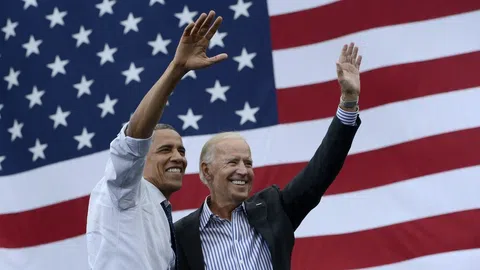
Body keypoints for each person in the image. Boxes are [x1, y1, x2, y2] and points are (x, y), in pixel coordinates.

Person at [174, 43, 363, 270]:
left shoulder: (273, 209)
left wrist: (348, 102)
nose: (243, 171)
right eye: (233, 162)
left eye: (248, 163)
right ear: (206, 170)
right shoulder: (181, 237)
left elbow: (320, 172)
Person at [85, 10, 228, 270]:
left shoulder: (157, 210)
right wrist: (177, 70)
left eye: (181, 150)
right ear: (142, 159)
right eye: (165, 150)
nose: (178, 157)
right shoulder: (124, 191)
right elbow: (132, 142)